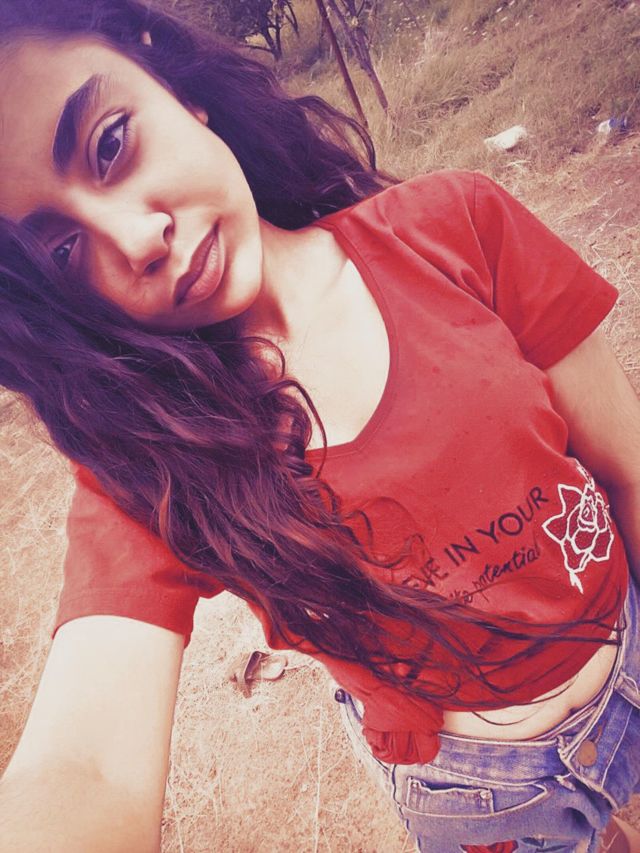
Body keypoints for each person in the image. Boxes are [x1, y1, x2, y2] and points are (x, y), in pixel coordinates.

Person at [0, 1, 638, 851]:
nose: (137, 237)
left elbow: (627, 466)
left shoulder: (459, 225)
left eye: (110, 143)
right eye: (61, 251)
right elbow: (86, 767)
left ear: (174, 85)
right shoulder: (150, 469)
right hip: (486, 796)